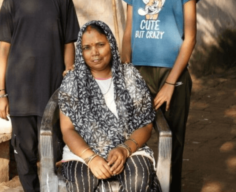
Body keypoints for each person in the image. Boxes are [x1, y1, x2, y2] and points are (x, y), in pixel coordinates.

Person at [0, 0, 80, 192]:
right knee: (26, 154)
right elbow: (4, 50)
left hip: (52, 92)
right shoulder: (12, 1)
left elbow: (68, 44)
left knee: (53, 151)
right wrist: (1, 93)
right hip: (20, 94)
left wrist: (69, 77)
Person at [121, 0, 202, 192]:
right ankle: (137, 185)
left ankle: (170, 187)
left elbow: (189, 37)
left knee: (172, 140)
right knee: (134, 136)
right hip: (139, 73)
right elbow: (128, 33)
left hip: (173, 73)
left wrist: (170, 84)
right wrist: (124, 74)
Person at [58, 20, 162, 192]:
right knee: (81, 184)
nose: (95, 53)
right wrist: (90, 158)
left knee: (138, 180)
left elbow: (146, 124)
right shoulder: (73, 81)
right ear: (81, 52)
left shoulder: (129, 76)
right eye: (87, 48)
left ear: (111, 44)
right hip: (83, 153)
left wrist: (124, 149)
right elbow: (67, 129)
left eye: (100, 44)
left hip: (130, 149)